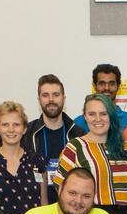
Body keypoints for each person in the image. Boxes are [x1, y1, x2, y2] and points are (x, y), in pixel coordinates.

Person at [24, 74, 83, 204]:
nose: (51, 100)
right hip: (37, 206)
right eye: (45, 95)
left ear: (64, 98)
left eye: (56, 95)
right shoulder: (27, 133)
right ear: (39, 99)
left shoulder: (78, 134)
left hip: (72, 205)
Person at [75, 63, 127, 132]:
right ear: (94, 86)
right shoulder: (78, 124)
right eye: (102, 83)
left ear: (118, 86)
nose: (107, 88)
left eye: (111, 84)